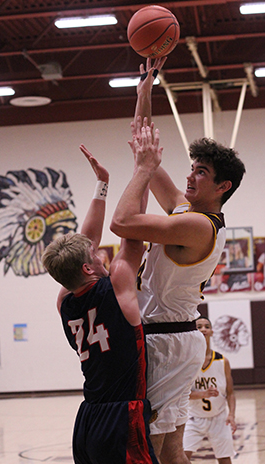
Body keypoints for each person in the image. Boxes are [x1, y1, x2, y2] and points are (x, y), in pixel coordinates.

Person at [110, 58, 246, 464]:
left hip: (167, 339)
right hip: (171, 336)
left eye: (200, 172)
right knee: (169, 448)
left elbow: (122, 222)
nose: (190, 176)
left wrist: (144, 167)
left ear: (222, 186)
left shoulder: (199, 226)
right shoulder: (187, 211)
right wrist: (144, 94)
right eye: (191, 168)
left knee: (153, 446)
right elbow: (145, 154)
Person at [41, 145, 158, 464]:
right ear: (87, 269)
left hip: (88, 419)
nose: (101, 253)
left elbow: (85, 244)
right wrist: (143, 171)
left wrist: (102, 183)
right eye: (95, 256)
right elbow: (133, 229)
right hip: (123, 415)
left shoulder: (64, 300)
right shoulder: (118, 281)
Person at [183, 316, 236, 464]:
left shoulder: (222, 361)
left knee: (225, 460)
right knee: (181, 458)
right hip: (193, 417)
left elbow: (230, 393)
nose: (203, 329)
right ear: (194, 332)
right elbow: (182, 395)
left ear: (212, 332)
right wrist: (202, 394)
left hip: (219, 417)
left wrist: (231, 414)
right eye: (199, 327)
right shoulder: (188, 362)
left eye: (206, 326)